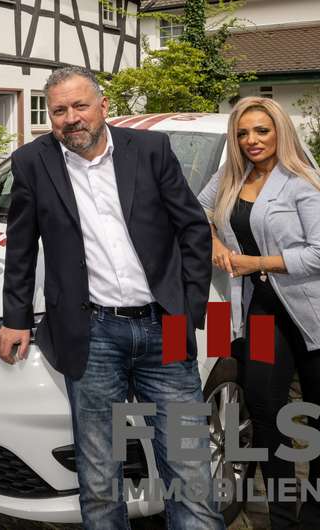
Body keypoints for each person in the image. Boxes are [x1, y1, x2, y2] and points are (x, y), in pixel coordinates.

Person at [0, 66, 224, 530]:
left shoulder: (151, 150)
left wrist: (187, 308)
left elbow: (193, 229)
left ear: (103, 106)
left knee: (190, 469)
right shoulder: (32, 162)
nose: (70, 118)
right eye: (59, 110)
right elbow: (21, 246)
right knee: (99, 478)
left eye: (80, 106)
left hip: (164, 326)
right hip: (92, 334)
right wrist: (15, 317)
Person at [198, 97, 320, 530]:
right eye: (243, 133)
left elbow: (318, 253)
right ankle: (283, 515)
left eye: (261, 131)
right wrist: (214, 240)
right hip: (264, 311)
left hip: (311, 313)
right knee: (266, 407)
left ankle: (314, 512)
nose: (252, 140)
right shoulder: (231, 176)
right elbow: (196, 210)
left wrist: (256, 263)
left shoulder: (302, 181)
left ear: (280, 131)